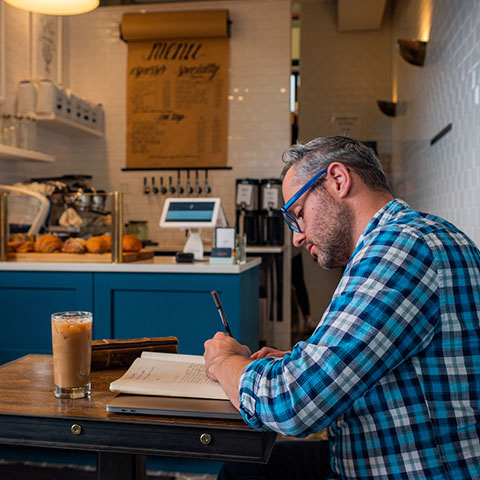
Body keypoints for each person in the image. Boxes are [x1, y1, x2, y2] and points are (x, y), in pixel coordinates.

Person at [204, 136, 480, 480]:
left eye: (298, 214)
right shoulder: (428, 233)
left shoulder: (399, 248)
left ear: (338, 180)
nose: (297, 237)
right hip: (399, 448)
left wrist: (224, 362)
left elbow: (292, 405)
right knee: (244, 469)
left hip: (413, 466)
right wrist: (304, 360)